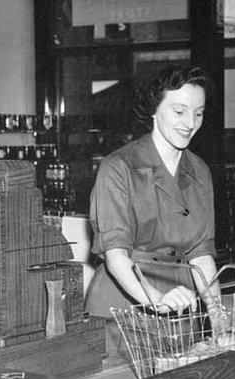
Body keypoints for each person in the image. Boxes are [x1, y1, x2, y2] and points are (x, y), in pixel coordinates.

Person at [85, 65, 221, 318]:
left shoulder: (199, 170)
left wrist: (218, 319)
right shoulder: (118, 168)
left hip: (180, 304)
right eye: (179, 111)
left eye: (199, 113)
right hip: (124, 306)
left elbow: (201, 256)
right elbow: (116, 255)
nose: (190, 123)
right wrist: (156, 300)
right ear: (153, 111)